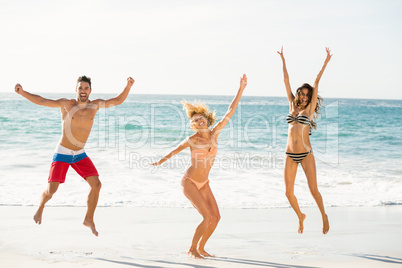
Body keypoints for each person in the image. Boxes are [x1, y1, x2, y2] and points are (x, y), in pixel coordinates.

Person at [14, 75, 135, 236]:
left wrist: (128, 86)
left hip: (79, 154)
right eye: (80, 88)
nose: (83, 91)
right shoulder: (66, 104)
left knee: (96, 185)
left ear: (90, 90)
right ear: (76, 89)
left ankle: (89, 219)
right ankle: (41, 207)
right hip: (63, 152)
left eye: (86, 88)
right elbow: (42, 101)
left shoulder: (95, 105)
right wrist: (22, 92)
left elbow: (118, 100)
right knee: (51, 190)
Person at [150, 74, 247, 258]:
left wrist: (241, 88)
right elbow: (174, 151)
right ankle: (192, 249)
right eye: (195, 120)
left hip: (205, 183)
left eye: (201, 118)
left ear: (206, 119)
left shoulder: (215, 134)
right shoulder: (192, 140)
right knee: (207, 217)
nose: (199, 121)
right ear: (193, 125)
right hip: (190, 182)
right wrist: (160, 161)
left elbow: (230, 111)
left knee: (216, 217)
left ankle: (201, 248)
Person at [277, 47, 331, 234]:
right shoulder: (291, 104)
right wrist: (283, 59)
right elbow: (285, 80)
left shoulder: (309, 110)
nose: (305, 97)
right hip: (290, 154)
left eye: (308, 95)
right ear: (299, 93)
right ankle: (300, 216)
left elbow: (316, 82)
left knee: (313, 191)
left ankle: (324, 215)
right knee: (288, 193)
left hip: (306, 154)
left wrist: (325, 62)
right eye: (303, 93)